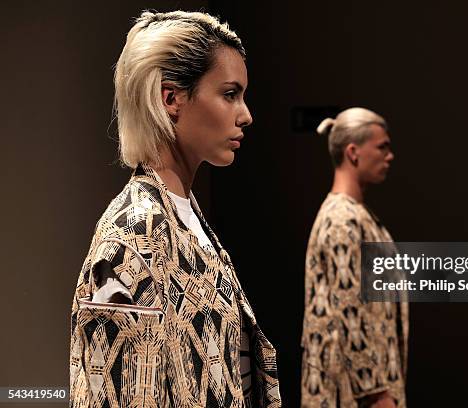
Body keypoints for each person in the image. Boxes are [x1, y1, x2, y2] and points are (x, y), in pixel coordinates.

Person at [69, 11, 281, 407]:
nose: (246, 114)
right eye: (230, 94)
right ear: (171, 98)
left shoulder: (185, 218)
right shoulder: (135, 234)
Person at [301, 108, 408, 407]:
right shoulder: (341, 219)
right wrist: (375, 392)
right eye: (382, 147)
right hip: (351, 393)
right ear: (353, 152)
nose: (390, 156)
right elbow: (349, 306)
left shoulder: (358, 215)